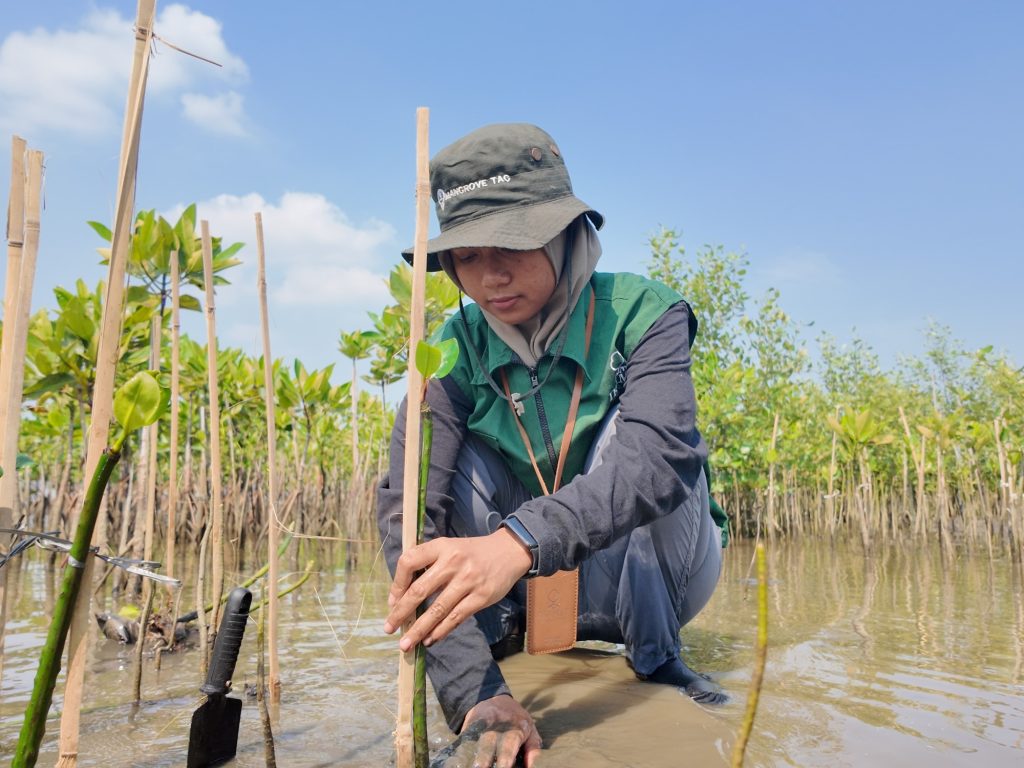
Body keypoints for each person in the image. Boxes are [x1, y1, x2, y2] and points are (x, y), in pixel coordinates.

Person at [377, 123, 725, 768]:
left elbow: (658, 458)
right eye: (469, 254)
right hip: (515, 595)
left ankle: (658, 659)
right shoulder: (450, 353)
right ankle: (501, 646)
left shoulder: (645, 311)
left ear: (569, 236)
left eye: (514, 244)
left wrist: (519, 543)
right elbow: (409, 525)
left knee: (647, 448)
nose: (492, 276)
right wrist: (475, 695)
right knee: (430, 470)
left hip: (649, 576)